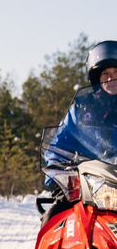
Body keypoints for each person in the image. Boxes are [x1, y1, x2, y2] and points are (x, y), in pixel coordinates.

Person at [42, 40, 117, 223]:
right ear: (96, 78)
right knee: (53, 219)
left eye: (116, 73)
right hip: (90, 188)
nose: (111, 78)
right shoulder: (82, 109)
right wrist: (59, 179)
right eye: (105, 73)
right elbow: (59, 146)